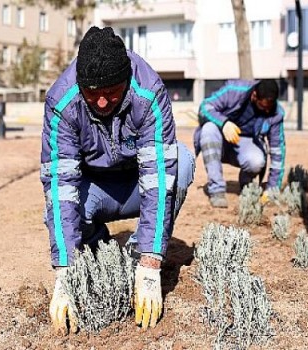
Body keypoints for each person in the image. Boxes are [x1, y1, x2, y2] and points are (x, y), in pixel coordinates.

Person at [40, 26, 195, 334]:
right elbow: (60, 183)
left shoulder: (148, 90)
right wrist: (66, 272)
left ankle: (136, 255)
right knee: (62, 204)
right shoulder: (62, 100)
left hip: (138, 182)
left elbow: (158, 175)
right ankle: (99, 248)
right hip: (95, 188)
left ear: (125, 81)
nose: (101, 102)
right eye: (92, 94)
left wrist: (150, 264)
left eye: (110, 93)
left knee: (183, 161)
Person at [193, 79, 285, 208]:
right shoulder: (233, 90)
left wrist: (272, 189)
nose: (267, 111)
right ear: (254, 95)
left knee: (257, 161)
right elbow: (205, 107)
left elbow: (278, 152)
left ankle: (246, 181)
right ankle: (216, 190)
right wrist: (223, 123)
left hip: (246, 143)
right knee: (209, 129)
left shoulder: (276, 113)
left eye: (270, 107)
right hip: (221, 140)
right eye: (263, 107)